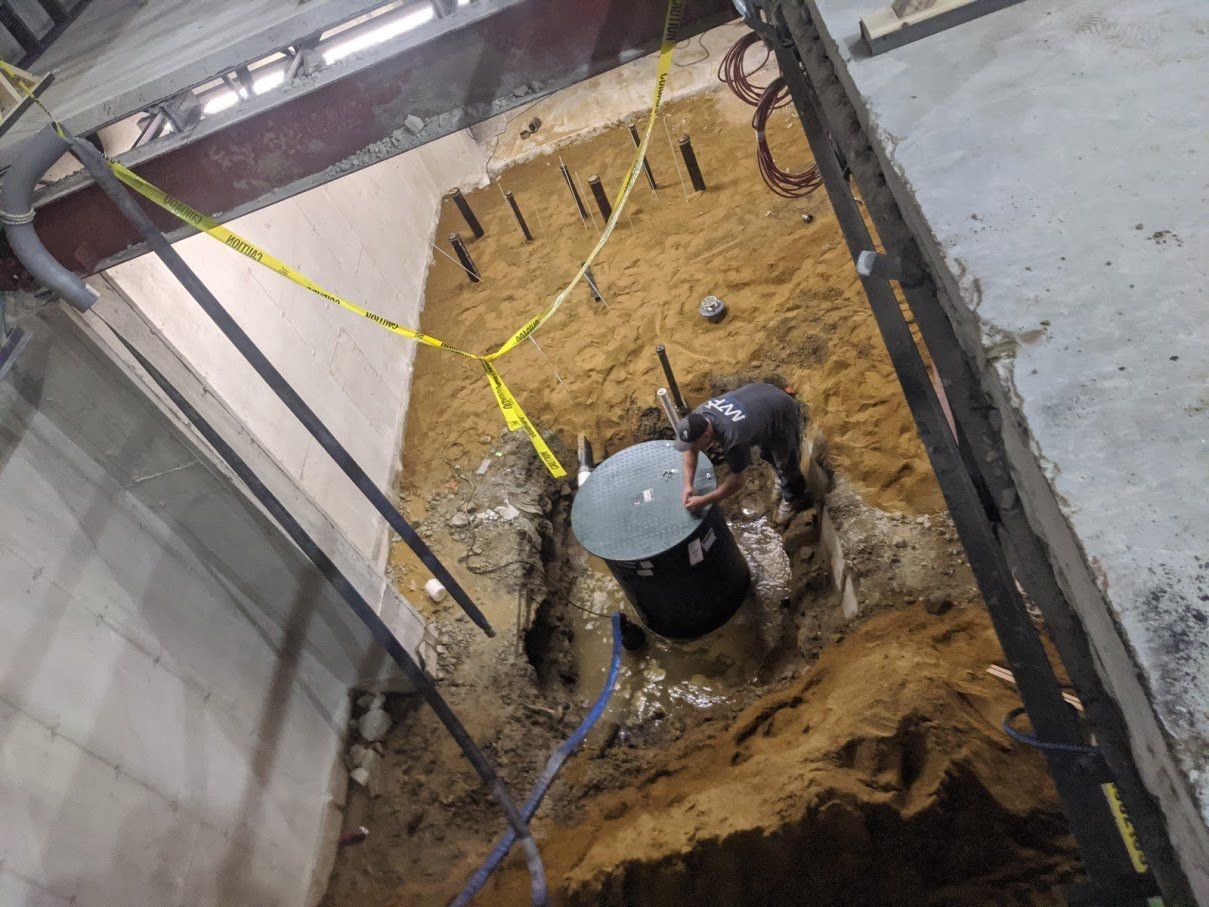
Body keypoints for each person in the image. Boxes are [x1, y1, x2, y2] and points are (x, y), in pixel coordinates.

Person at [675, 382, 809, 524]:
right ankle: (782, 478)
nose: (691, 448)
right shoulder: (697, 417)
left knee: (786, 461)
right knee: (768, 452)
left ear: (707, 437)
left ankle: (793, 495)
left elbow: (738, 481)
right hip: (760, 397)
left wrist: (705, 500)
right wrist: (688, 484)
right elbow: (691, 449)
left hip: (782, 410)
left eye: (694, 444)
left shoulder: (734, 438)